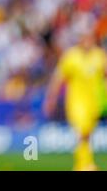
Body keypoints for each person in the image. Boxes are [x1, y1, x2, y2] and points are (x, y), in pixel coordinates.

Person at [44, 29, 107, 171]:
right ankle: (86, 165)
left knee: (88, 133)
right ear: (80, 40)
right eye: (84, 38)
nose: (87, 42)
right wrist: (51, 99)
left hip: (95, 102)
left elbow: (105, 75)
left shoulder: (99, 55)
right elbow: (58, 78)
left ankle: (82, 164)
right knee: (83, 131)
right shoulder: (71, 57)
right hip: (76, 102)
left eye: (90, 38)